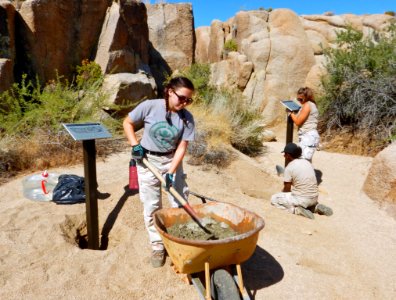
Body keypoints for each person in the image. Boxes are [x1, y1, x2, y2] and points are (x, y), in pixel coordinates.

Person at [123, 76, 195, 268]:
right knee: (152, 206)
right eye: (182, 98)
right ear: (170, 91)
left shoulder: (187, 119)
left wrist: (171, 171)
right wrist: (135, 144)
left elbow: (182, 147)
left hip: (172, 161)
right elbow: (127, 123)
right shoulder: (150, 106)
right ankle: (157, 247)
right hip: (147, 161)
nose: (185, 103)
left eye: (189, 100)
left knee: (179, 202)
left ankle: (180, 240)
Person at [271, 143, 333, 219]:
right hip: (314, 198)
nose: (284, 156)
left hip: (302, 199)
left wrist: (283, 196)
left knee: (274, 199)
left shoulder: (289, 167)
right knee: (301, 197)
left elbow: (287, 189)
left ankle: (296, 210)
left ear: (288, 155)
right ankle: (315, 207)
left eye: (285, 154)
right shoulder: (307, 163)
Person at [288, 87, 320, 162]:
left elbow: (298, 122)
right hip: (309, 136)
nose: (299, 101)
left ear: (307, 97)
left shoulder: (307, 105)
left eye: (301, 99)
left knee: (303, 161)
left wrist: (290, 113)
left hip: (308, 136)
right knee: (306, 161)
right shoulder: (310, 104)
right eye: (298, 99)